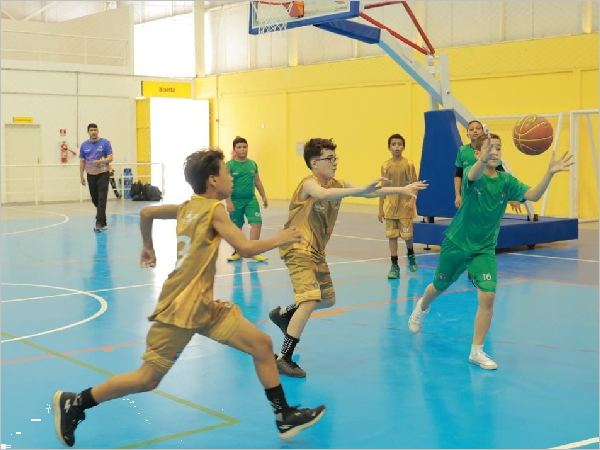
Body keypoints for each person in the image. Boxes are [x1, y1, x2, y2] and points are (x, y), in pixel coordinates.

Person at [52, 149, 326, 448]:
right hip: (181, 307)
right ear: (212, 180)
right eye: (226, 172)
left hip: (204, 307)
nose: (231, 178)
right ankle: (76, 402)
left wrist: (148, 246)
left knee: (261, 344)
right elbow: (245, 248)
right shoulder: (214, 209)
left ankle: (284, 416)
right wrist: (280, 239)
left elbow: (146, 214)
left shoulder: (188, 207)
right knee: (147, 379)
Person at [408, 132, 573, 370]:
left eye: (498, 148)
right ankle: (422, 306)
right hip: (457, 243)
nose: (495, 152)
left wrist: (549, 173)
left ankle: (476, 351)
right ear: (478, 153)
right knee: (439, 286)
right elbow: (473, 174)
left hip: (484, 248)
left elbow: (533, 195)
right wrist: (482, 160)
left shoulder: (506, 181)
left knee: (488, 296)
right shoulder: (472, 174)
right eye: (489, 148)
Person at [269, 138, 428, 377]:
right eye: (329, 159)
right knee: (310, 299)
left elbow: (370, 192)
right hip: (297, 247)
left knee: (327, 299)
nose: (335, 163)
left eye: (336, 158)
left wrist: (402, 190)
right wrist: (360, 190)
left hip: (317, 251)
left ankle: (284, 314)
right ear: (314, 163)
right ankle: (284, 358)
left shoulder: (339, 183)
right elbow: (323, 194)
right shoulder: (309, 184)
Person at [455, 120, 522, 213]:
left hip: (487, 193)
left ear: (483, 132)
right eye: (471, 129)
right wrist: (458, 195)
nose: (475, 131)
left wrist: (511, 196)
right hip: (469, 194)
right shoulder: (462, 150)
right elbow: (458, 174)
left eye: (478, 128)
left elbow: (502, 175)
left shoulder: (491, 150)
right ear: (467, 135)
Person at [378, 133, 419, 279]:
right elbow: (382, 188)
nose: (397, 147)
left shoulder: (408, 164)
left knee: (407, 236)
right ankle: (394, 265)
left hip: (405, 207)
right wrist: (380, 209)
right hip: (390, 208)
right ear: (389, 147)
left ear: (403, 147)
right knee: (392, 236)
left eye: (399, 144)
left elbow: (415, 184)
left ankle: (411, 253)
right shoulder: (385, 166)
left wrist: (412, 201)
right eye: (394, 144)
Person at [225, 137, 270, 262]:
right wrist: (228, 201)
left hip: (251, 200)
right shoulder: (229, 166)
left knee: (257, 223)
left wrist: (264, 196)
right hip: (235, 201)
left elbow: (257, 181)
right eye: (239, 147)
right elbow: (226, 184)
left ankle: (253, 251)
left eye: (244, 147)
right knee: (237, 227)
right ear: (234, 149)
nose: (242, 150)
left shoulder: (252, 164)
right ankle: (238, 252)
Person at [79, 123, 113, 232]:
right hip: (91, 175)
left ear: (98, 131)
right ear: (88, 132)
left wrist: (101, 162)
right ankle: (103, 220)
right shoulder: (84, 145)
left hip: (103, 174)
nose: (93, 132)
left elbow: (110, 158)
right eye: (91, 130)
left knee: (102, 198)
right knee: (95, 199)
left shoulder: (105, 142)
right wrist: (81, 176)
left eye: (95, 130)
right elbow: (82, 161)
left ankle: (99, 223)